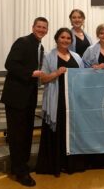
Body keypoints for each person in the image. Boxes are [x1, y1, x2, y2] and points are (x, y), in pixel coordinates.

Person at [0, 17, 48, 187]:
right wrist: (31, 73)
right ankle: (20, 172)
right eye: (39, 26)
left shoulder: (40, 47)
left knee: (26, 134)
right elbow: (10, 64)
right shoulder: (23, 42)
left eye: (44, 28)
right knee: (17, 136)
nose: (41, 30)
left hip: (29, 97)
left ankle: (22, 166)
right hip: (16, 97)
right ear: (33, 27)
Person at [35, 28, 85, 176]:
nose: (65, 40)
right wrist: (56, 73)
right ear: (57, 39)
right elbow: (42, 79)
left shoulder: (76, 56)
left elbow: (84, 77)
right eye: (62, 37)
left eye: (68, 38)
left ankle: (71, 165)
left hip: (73, 101)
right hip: (56, 100)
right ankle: (55, 165)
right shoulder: (48, 56)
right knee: (57, 132)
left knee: (71, 132)